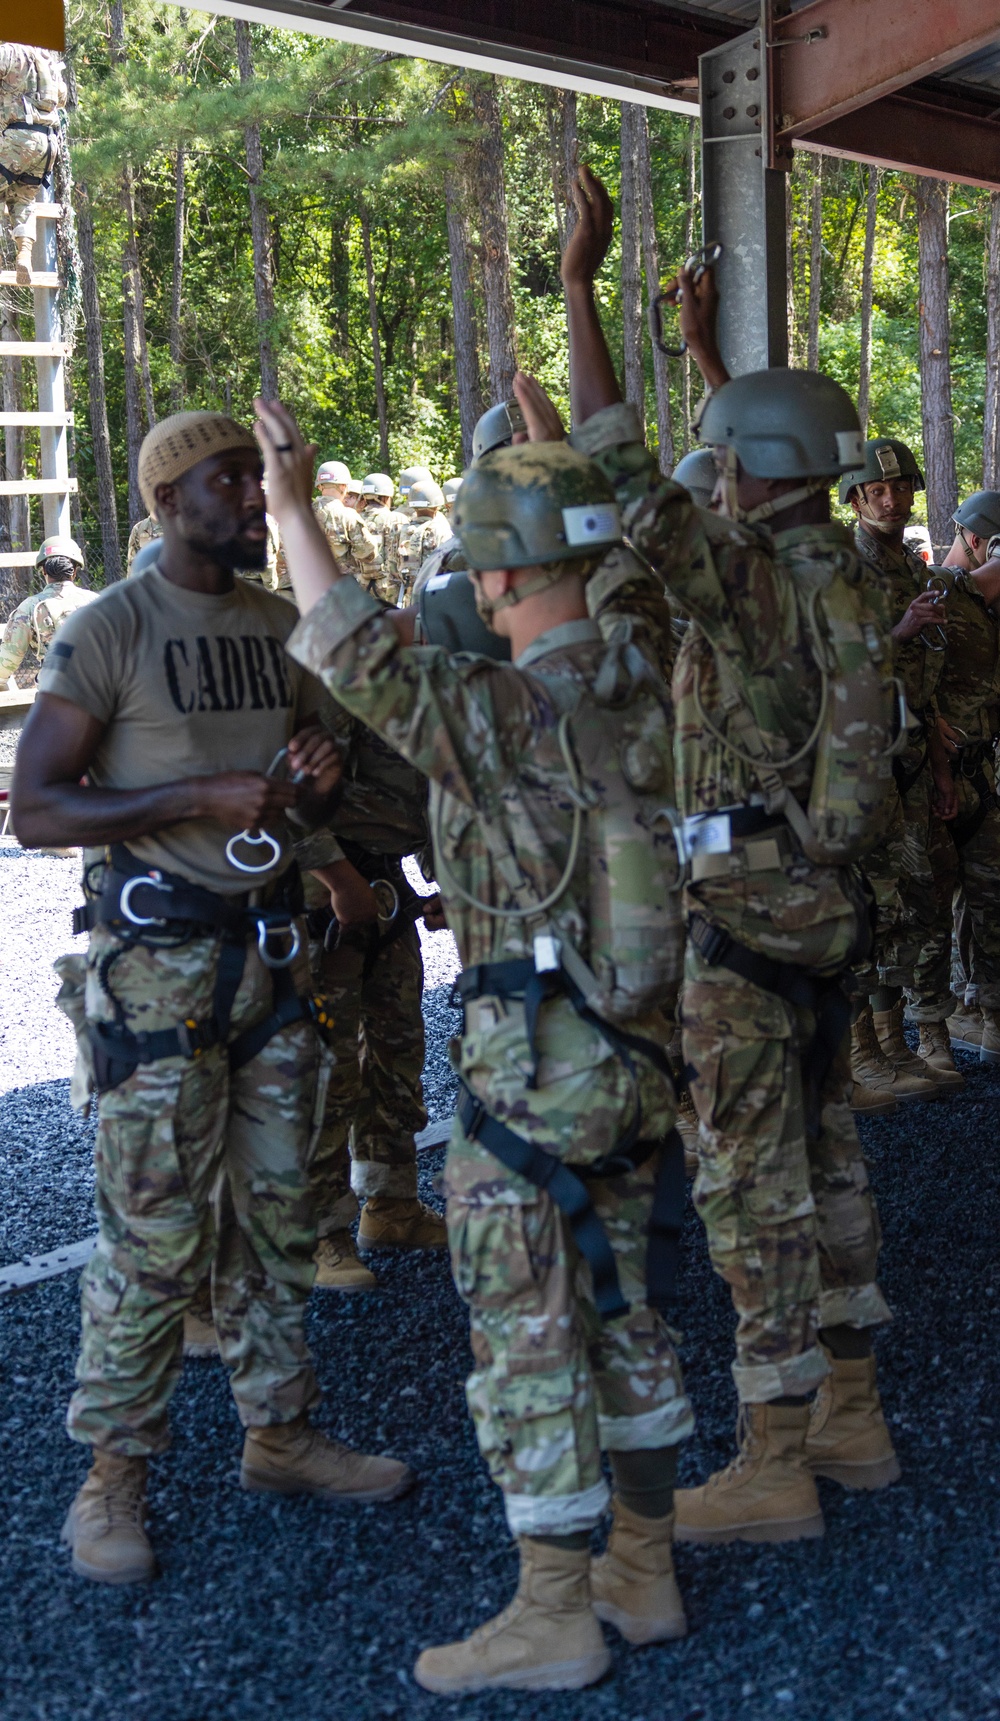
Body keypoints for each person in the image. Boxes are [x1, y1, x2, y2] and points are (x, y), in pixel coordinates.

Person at [257, 396, 694, 1692]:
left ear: (496, 571)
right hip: (633, 1058)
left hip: (531, 1081)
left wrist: (293, 505)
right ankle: (646, 1565)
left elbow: (355, 652)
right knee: (624, 1307)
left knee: (528, 1333)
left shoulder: (499, 711)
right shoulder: (637, 677)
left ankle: (553, 1612)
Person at [11, 409, 413, 1588]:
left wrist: (306, 796)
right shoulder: (111, 630)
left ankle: (279, 1433)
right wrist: (194, 795)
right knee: (154, 1238)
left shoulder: (279, 628)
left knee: (281, 1215)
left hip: (272, 968)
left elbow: (290, 792)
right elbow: (36, 808)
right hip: (157, 977)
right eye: (230, 478)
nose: (255, 495)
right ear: (166, 498)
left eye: (257, 476)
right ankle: (113, 1478)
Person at [560, 164, 899, 1545]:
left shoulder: (743, 576)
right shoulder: (856, 569)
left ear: (752, 477)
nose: (715, 471)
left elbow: (612, 457)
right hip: (825, 907)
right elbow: (736, 445)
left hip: (741, 918)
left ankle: (773, 1455)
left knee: (747, 1188)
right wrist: (708, 357)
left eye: (728, 457)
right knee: (824, 1155)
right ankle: (853, 1412)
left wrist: (580, 286)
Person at [300, 717, 449, 1292]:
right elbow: (285, 795)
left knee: (397, 1044)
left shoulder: (419, 677)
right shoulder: (327, 676)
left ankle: (391, 1206)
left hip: (383, 875)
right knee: (327, 1067)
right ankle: (320, 1233)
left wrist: (450, 884)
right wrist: (338, 881)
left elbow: (430, 785)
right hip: (325, 886)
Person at [840, 440, 953, 1101]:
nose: (891, 499)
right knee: (861, 907)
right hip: (859, 759)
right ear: (854, 500)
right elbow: (835, 665)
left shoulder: (907, 566)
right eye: (876, 491)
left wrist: (939, 766)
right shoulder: (844, 568)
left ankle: (894, 1039)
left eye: (899, 487)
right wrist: (899, 632)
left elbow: (924, 681)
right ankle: (859, 1051)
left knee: (908, 900)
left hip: (906, 756)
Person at [904, 490, 1000, 1069]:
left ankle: (985, 1009)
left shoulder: (988, 604)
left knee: (989, 895)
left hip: (982, 771)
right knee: (930, 903)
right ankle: (928, 1031)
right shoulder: (939, 589)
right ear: (974, 538)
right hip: (931, 773)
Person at [0, 44, 64, 285]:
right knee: (22, 200)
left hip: (19, 138)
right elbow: (62, 96)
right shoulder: (47, 58)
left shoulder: (10, 52)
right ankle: (24, 255)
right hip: (47, 145)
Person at [0, 537, 94, 686]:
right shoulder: (98, 601)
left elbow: (8, 660)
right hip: (102, 689)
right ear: (74, 571)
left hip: (56, 689)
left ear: (43, 570)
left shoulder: (30, 606)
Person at [396, 479, 452, 605]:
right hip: (435, 595)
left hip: (409, 595)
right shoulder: (441, 529)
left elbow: (394, 563)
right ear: (437, 506)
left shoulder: (404, 529)